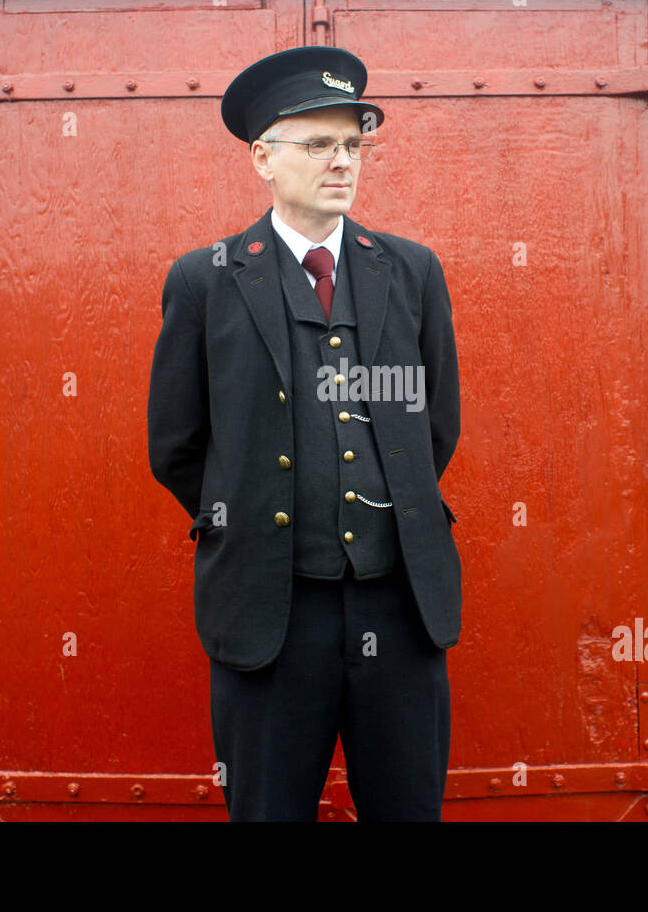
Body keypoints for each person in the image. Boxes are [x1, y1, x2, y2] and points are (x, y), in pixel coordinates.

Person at [146, 45, 461, 821]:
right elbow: (176, 444)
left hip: (400, 605)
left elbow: (438, 426)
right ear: (263, 157)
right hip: (270, 614)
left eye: (353, 143)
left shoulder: (412, 270)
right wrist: (248, 512)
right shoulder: (205, 277)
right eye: (318, 143)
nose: (342, 161)